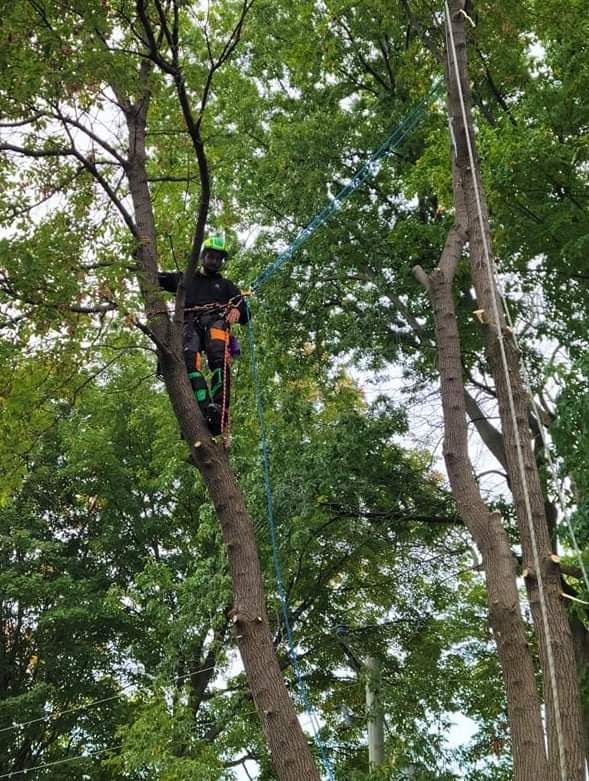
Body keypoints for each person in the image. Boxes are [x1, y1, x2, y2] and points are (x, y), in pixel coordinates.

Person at [158, 235, 249, 436]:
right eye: (211, 257)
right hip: (189, 324)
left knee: (218, 357)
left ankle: (220, 409)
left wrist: (238, 309)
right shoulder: (186, 279)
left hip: (215, 321)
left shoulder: (226, 285)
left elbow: (245, 310)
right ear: (203, 257)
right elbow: (158, 279)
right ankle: (204, 407)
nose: (215, 261)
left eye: (219, 259)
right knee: (189, 362)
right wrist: (140, 260)